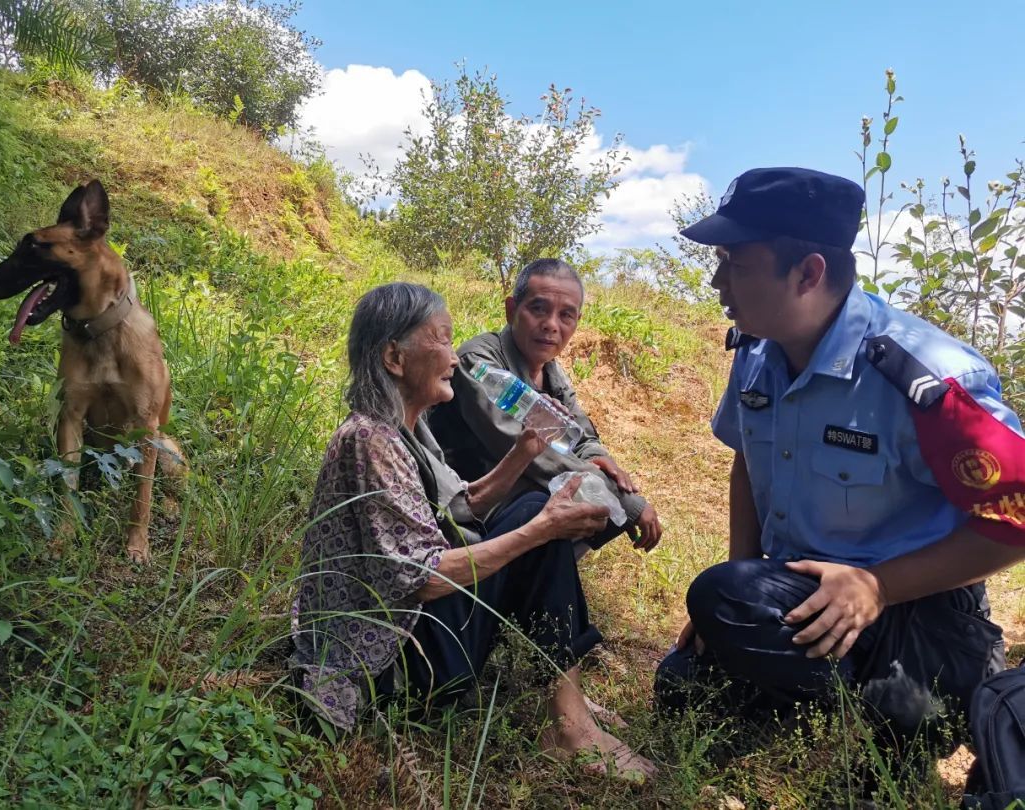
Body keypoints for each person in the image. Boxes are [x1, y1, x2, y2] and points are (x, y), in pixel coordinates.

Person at [654, 167, 1025, 737]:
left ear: (808, 273)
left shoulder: (925, 378)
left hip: (915, 607)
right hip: (804, 593)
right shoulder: (757, 352)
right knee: (685, 678)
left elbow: (1017, 516)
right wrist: (740, 585)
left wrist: (877, 587)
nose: (716, 283)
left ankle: (914, 697)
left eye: (736, 264)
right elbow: (747, 461)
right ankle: (823, 695)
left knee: (915, 726)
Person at [291, 282, 657, 780]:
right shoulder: (369, 441)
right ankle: (569, 728)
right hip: (393, 665)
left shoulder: (402, 428)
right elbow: (423, 579)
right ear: (395, 358)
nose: (455, 356)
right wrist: (543, 529)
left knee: (532, 505)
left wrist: (525, 450)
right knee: (537, 522)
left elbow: (463, 503)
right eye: (441, 340)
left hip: (417, 632)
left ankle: (569, 703)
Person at [430, 258, 662, 557]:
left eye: (566, 315)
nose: (551, 325)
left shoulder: (550, 369)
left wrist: (601, 460)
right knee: (569, 501)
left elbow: (579, 433)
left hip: (512, 494)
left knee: (601, 508)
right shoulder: (479, 361)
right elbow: (523, 449)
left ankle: (541, 578)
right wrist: (626, 502)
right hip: (467, 505)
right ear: (511, 310)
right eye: (538, 308)